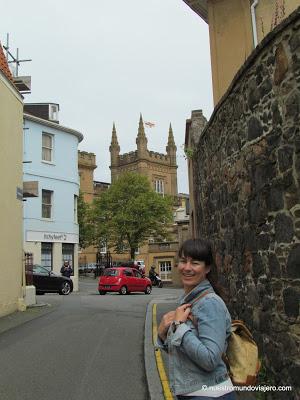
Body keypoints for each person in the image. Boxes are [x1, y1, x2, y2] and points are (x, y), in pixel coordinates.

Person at [157, 238, 235, 400]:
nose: (187, 268)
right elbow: (183, 353)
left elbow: (210, 359)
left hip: (211, 393)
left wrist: (179, 327)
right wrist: (163, 334)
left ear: (207, 268)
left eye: (195, 263)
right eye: (183, 261)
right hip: (193, 392)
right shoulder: (189, 300)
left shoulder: (210, 303)